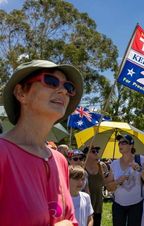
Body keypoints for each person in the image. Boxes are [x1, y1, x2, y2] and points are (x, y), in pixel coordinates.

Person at [0, 59, 83, 225]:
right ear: (21, 93)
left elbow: (71, 220)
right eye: (51, 81)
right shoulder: (2, 153)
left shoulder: (60, 161)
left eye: (68, 87)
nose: (63, 91)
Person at [106, 134, 144, 226]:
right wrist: (117, 181)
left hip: (136, 204)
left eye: (124, 142)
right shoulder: (114, 164)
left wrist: (139, 169)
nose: (120, 145)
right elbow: (109, 188)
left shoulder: (141, 160)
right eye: (119, 143)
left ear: (131, 145)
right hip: (118, 204)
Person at [84, 146, 110, 226]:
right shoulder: (82, 167)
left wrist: (107, 175)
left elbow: (103, 182)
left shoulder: (100, 166)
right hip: (86, 205)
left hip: (98, 203)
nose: (96, 153)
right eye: (93, 151)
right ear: (86, 154)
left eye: (97, 151)